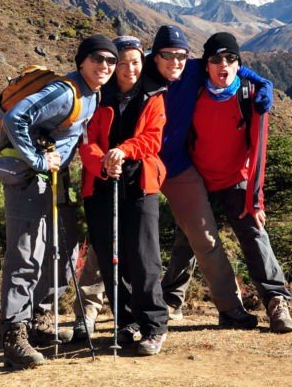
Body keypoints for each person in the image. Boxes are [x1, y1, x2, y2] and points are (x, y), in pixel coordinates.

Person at [0, 34, 118, 369]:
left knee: (64, 252)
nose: (105, 66)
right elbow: (14, 119)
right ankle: (14, 333)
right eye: (98, 59)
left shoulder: (93, 93)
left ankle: (39, 319)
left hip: (54, 177)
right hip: (27, 176)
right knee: (26, 254)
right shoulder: (65, 92)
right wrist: (37, 160)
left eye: (110, 61)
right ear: (82, 62)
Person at [143, 26, 273, 328]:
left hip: (177, 166)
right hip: (140, 165)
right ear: (154, 56)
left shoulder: (191, 70)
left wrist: (262, 81)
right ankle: (93, 311)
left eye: (181, 56)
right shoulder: (139, 74)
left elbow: (228, 63)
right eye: (167, 55)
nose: (175, 61)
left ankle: (230, 309)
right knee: (121, 238)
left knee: (204, 237)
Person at [189, 32, 292, 333]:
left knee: (254, 233)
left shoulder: (250, 96)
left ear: (239, 63)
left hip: (237, 177)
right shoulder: (192, 89)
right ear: (205, 64)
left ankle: (276, 302)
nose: (223, 64)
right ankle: (171, 300)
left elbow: (258, 151)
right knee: (189, 239)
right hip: (199, 177)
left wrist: (256, 200)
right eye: (216, 59)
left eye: (231, 58)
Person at [80, 35, 169, 355]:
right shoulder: (96, 96)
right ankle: (126, 321)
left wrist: (122, 151)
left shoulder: (154, 95)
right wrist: (102, 163)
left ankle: (154, 325)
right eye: (122, 62)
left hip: (140, 183)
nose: (129, 68)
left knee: (144, 257)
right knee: (110, 257)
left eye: (135, 62)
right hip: (100, 184)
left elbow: (152, 139)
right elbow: (86, 139)